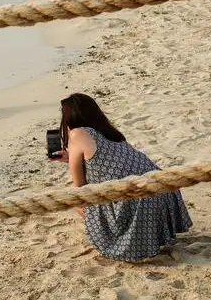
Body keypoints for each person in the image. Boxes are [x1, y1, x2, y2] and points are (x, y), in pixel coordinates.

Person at [49, 94, 192, 262]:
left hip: (137, 204)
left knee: (72, 200)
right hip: (163, 193)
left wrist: (73, 157)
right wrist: (72, 157)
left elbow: (80, 186)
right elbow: (104, 162)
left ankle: (116, 234)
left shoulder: (77, 133)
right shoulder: (109, 132)